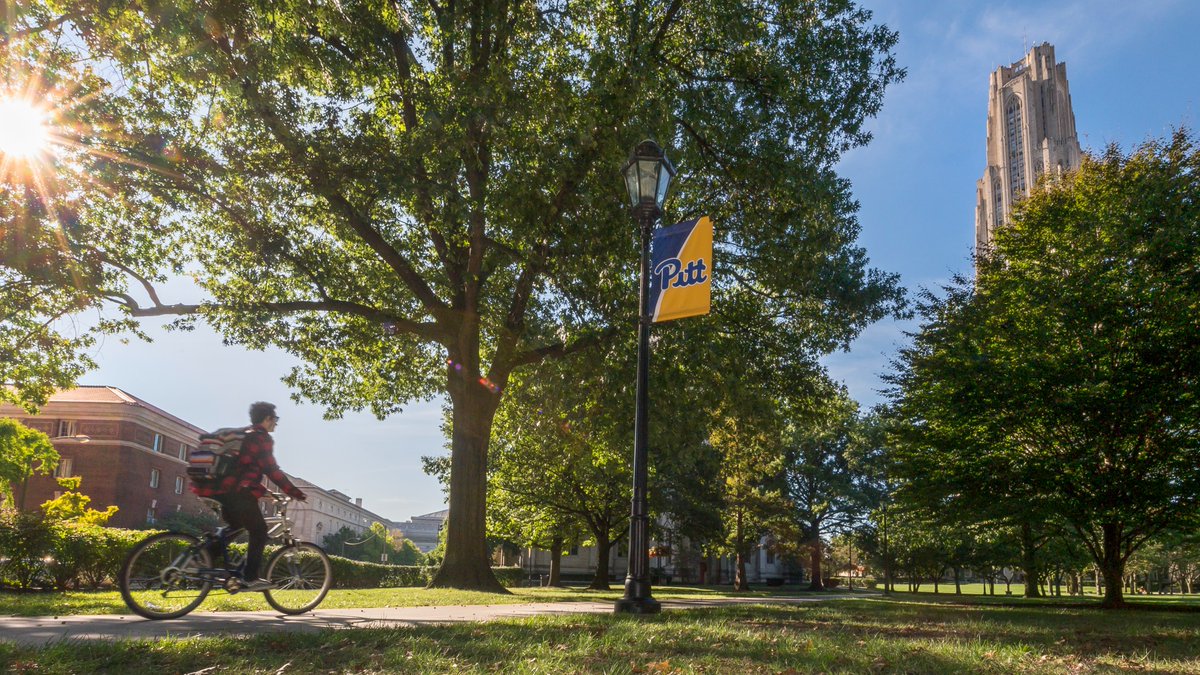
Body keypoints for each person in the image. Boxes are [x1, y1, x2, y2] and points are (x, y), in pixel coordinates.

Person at [191, 401, 306, 590]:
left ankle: (204, 556)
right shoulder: (261, 438)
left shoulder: (244, 435)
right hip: (235, 493)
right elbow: (272, 470)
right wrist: (296, 493)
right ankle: (250, 578)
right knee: (259, 531)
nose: (276, 423)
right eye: (275, 419)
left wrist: (265, 492)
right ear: (267, 419)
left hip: (218, 488)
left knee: (237, 525)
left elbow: (241, 472)